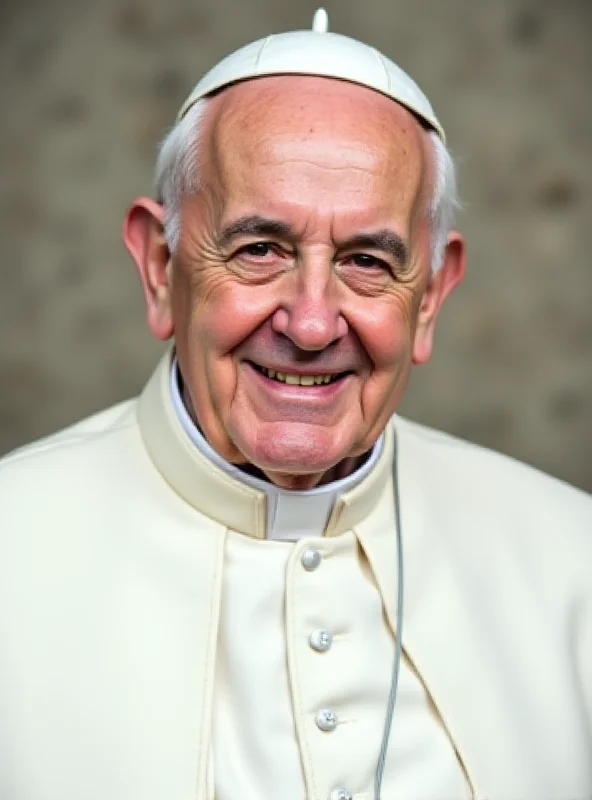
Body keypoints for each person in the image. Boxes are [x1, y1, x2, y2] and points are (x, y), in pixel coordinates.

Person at [0, 10, 590, 800]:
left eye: (368, 261)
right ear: (158, 266)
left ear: (431, 299)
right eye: (259, 249)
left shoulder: (571, 561)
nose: (311, 323)